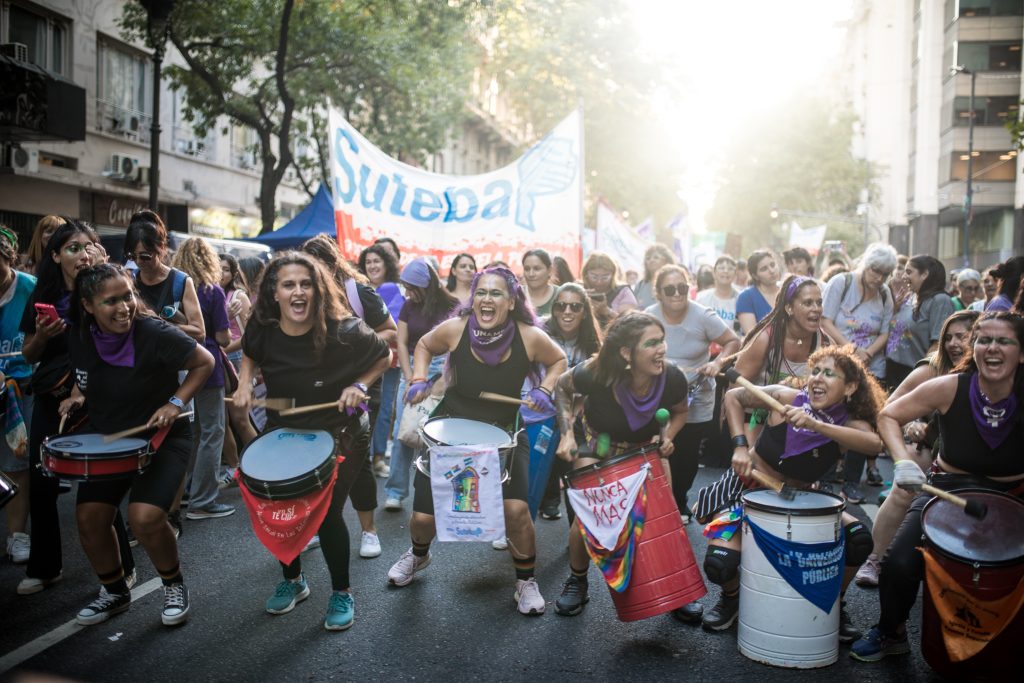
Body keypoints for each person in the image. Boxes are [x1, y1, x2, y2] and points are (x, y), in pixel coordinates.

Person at [386, 266, 567, 615]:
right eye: (481, 292)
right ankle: (419, 556)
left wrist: (545, 387)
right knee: (424, 518)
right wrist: (420, 377)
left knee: (516, 511)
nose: (486, 299)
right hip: (450, 425)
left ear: (511, 300)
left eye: (496, 293)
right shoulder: (457, 329)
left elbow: (558, 359)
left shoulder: (528, 336)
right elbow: (423, 344)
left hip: (505, 429)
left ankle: (525, 581)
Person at [851, 312, 1024, 661]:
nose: (992, 348)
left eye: (1003, 341)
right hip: (949, 490)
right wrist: (901, 462)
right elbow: (888, 416)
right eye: (983, 340)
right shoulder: (951, 386)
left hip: (1014, 496)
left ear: (1021, 352)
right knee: (898, 563)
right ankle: (891, 632)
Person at [233, 252, 391, 631]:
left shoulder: (345, 329)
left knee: (325, 513)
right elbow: (250, 354)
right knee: (281, 505)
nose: (298, 292)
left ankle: (341, 591)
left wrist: (358, 385)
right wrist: (243, 381)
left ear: (318, 290)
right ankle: (294, 580)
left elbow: (384, 355)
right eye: (289, 285)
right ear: (274, 292)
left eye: (306, 284)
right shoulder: (263, 327)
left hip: (342, 430)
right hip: (286, 429)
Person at [61, 263, 215, 626]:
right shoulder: (79, 335)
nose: (124, 307)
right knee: (90, 518)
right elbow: (86, 374)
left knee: (144, 518)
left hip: (163, 438)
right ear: (87, 306)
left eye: (127, 296)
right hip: (109, 441)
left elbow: (204, 361)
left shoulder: (154, 331)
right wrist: (76, 395)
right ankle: (114, 592)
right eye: (110, 301)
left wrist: (174, 403)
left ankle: (173, 584)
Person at [697, 345, 884, 637]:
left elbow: (874, 444)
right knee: (719, 564)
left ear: (850, 387)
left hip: (799, 499)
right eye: (815, 371)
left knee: (859, 540)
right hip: (748, 488)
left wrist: (816, 425)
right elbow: (733, 397)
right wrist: (740, 447)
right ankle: (732, 597)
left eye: (829, 374)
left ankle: (837, 604)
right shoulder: (786, 397)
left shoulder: (849, 423)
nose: (818, 379)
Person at [17, 220, 136, 596]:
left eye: (88, 246)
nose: (82, 253)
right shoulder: (44, 295)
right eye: (72, 247)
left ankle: (122, 568)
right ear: (55, 255)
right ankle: (45, 566)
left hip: (94, 400)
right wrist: (43, 336)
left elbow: (116, 346)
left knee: (99, 484)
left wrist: (80, 390)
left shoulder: (103, 292)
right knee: (42, 482)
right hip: (51, 400)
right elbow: (28, 354)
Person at [550, 311, 692, 617]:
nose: (662, 349)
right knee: (587, 519)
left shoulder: (672, 378)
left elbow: (681, 412)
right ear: (626, 353)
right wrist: (566, 435)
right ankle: (577, 581)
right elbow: (562, 387)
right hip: (597, 445)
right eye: (651, 343)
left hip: (644, 451)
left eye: (662, 340)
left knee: (663, 519)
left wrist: (668, 437)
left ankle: (676, 590)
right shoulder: (597, 373)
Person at [853, 309, 979, 588]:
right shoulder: (933, 367)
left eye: (963, 336)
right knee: (903, 488)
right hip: (931, 449)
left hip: (975, 458)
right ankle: (874, 558)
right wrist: (912, 427)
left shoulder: (995, 370)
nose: (954, 344)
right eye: (949, 337)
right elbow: (889, 411)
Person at [303, 235, 397, 558]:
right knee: (317, 457)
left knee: (356, 457)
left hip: (363, 382)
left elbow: (391, 332)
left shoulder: (359, 291)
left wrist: (356, 344)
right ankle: (320, 524)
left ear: (332, 265)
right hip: (323, 386)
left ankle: (369, 532)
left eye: (317, 269)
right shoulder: (305, 293)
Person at [646, 265, 740, 521]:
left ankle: (679, 500)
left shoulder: (703, 315)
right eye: (670, 289)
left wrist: (717, 363)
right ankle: (657, 504)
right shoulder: (648, 317)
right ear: (659, 293)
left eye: (682, 288)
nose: (677, 293)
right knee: (657, 447)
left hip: (695, 396)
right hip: (657, 397)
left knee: (686, 455)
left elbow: (733, 342)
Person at [820, 243, 897, 501]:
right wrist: (849, 349)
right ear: (866, 265)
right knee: (830, 419)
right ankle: (826, 478)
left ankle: (851, 482)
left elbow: (885, 332)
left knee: (864, 424)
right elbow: (825, 320)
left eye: (885, 274)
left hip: (869, 368)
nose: (879, 278)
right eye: (876, 271)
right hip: (837, 363)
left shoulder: (885, 294)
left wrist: (867, 353)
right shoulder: (841, 283)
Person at [383, 259, 458, 511]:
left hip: (442, 368)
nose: (407, 293)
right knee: (403, 431)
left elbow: (457, 344)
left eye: (412, 288)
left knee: (437, 433)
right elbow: (402, 343)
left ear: (427, 286)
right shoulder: (407, 306)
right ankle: (396, 490)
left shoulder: (451, 306)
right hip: (412, 366)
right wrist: (409, 377)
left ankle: (439, 491)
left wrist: (443, 380)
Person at [171, 238, 235, 521]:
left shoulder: (174, 288)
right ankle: (203, 499)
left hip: (177, 363)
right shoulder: (213, 291)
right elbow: (223, 337)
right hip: (207, 365)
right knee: (213, 431)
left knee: (192, 431)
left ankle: (185, 491)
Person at [536, 283, 603, 521]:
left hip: (577, 412)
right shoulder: (540, 331)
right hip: (540, 410)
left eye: (575, 306)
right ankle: (547, 501)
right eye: (562, 306)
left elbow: (595, 382)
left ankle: (578, 530)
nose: (567, 311)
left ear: (584, 312)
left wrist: (575, 412)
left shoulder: (593, 342)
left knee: (574, 466)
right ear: (554, 309)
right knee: (537, 465)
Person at [1, 227, 34, 566]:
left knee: (17, 462)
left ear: (9, 258)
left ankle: (17, 535)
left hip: (21, 388)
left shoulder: (29, 288)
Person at [125, 211, 204, 344]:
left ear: (160, 248)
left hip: (171, 360)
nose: (138, 261)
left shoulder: (180, 282)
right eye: (131, 256)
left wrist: (160, 323)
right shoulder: (128, 279)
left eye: (145, 256)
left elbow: (200, 332)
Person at [885, 255, 955, 390]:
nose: (903, 276)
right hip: (892, 371)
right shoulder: (909, 298)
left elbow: (937, 344)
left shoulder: (940, 300)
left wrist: (921, 376)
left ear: (924, 274)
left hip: (914, 376)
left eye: (909, 272)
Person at [217, 253, 257, 486]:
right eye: (217, 268)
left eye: (225, 269)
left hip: (237, 359)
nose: (221, 273)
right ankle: (235, 468)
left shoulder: (238, 296)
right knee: (220, 422)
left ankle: (260, 466)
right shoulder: (209, 294)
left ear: (233, 274)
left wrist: (223, 346)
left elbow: (251, 336)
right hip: (219, 361)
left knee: (240, 420)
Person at [581, 252, 638, 329]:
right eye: (594, 277)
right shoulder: (579, 289)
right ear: (586, 274)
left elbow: (630, 322)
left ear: (612, 275)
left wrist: (606, 311)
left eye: (605, 277)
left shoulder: (623, 292)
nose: (599, 282)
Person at [736, 249, 780, 335]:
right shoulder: (746, 297)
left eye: (772, 265)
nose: (771, 271)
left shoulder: (788, 292)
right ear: (755, 276)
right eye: (764, 269)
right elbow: (752, 335)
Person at [696, 255, 741, 334]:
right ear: (714, 273)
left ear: (735, 274)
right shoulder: (701, 298)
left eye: (730, 268)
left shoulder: (742, 298)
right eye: (721, 268)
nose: (726, 271)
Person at [632, 244, 675, 310]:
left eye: (656, 257)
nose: (651, 260)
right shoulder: (640, 285)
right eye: (648, 258)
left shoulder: (675, 282)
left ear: (666, 261)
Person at [522, 249, 558, 316]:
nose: (531, 274)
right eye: (527, 269)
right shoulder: (516, 295)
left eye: (537, 269)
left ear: (549, 270)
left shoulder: (560, 295)